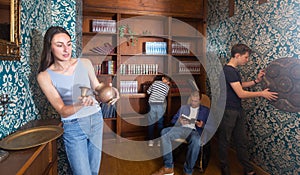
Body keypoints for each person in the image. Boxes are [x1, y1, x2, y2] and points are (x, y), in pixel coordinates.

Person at [37, 26, 119, 175]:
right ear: (50, 47)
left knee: (94, 171)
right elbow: (62, 110)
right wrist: (81, 103)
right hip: (73, 127)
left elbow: (97, 87)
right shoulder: (44, 76)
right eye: (59, 45)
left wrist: (111, 91)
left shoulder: (85, 63)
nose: (66, 49)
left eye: (68, 44)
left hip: (95, 120)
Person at [218, 43, 278, 175]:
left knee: (241, 141)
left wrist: (256, 81)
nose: (247, 60)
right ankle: (224, 168)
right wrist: (262, 93)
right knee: (224, 140)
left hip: (237, 109)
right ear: (237, 55)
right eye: (245, 57)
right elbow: (241, 93)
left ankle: (248, 170)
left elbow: (239, 85)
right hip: (228, 110)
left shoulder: (233, 70)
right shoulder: (228, 70)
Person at [151, 91, 210, 175]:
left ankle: (188, 171)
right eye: (192, 100)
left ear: (200, 100)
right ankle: (168, 167)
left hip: (194, 131)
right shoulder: (183, 107)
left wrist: (203, 125)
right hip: (181, 129)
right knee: (164, 132)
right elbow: (173, 120)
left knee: (196, 140)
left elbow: (212, 126)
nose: (193, 103)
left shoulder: (205, 110)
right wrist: (179, 121)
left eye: (195, 101)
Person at [147, 75, 170, 147]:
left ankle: (151, 141)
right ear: (168, 82)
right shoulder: (167, 87)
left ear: (163, 78)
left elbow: (148, 92)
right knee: (160, 123)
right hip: (160, 105)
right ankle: (160, 141)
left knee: (151, 123)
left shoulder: (155, 83)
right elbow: (165, 95)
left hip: (152, 105)